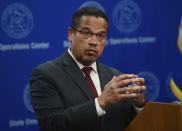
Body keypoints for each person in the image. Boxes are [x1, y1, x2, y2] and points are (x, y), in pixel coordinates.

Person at [30, 7, 147, 131]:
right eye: (87, 33)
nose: (94, 42)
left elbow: (128, 122)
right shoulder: (45, 75)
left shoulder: (114, 76)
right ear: (71, 34)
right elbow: (52, 124)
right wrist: (100, 102)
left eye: (101, 36)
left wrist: (139, 105)